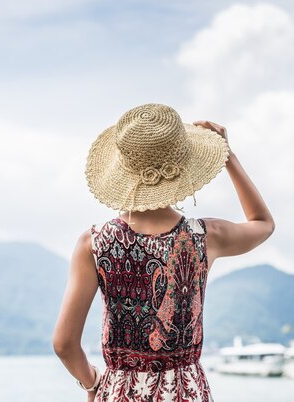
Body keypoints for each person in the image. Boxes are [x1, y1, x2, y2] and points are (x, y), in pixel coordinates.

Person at [52, 103, 275, 401]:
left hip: (120, 391)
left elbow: (64, 344)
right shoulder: (206, 237)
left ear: (123, 171)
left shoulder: (94, 244)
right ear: (183, 168)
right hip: (186, 391)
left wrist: (92, 383)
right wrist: (229, 157)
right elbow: (263, 223)